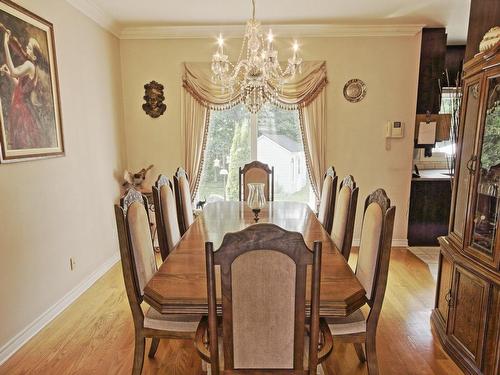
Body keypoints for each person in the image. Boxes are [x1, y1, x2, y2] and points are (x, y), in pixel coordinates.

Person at [1, 29, 45, 149]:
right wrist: (7, 73)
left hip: (20, 110)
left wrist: (5, 43)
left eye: (29, 48)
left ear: (34, 57)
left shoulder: (29, 65)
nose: (26, 47)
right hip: (21, 108)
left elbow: (15, 72)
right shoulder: (33, 69)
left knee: (17, 143)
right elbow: (19, 87)